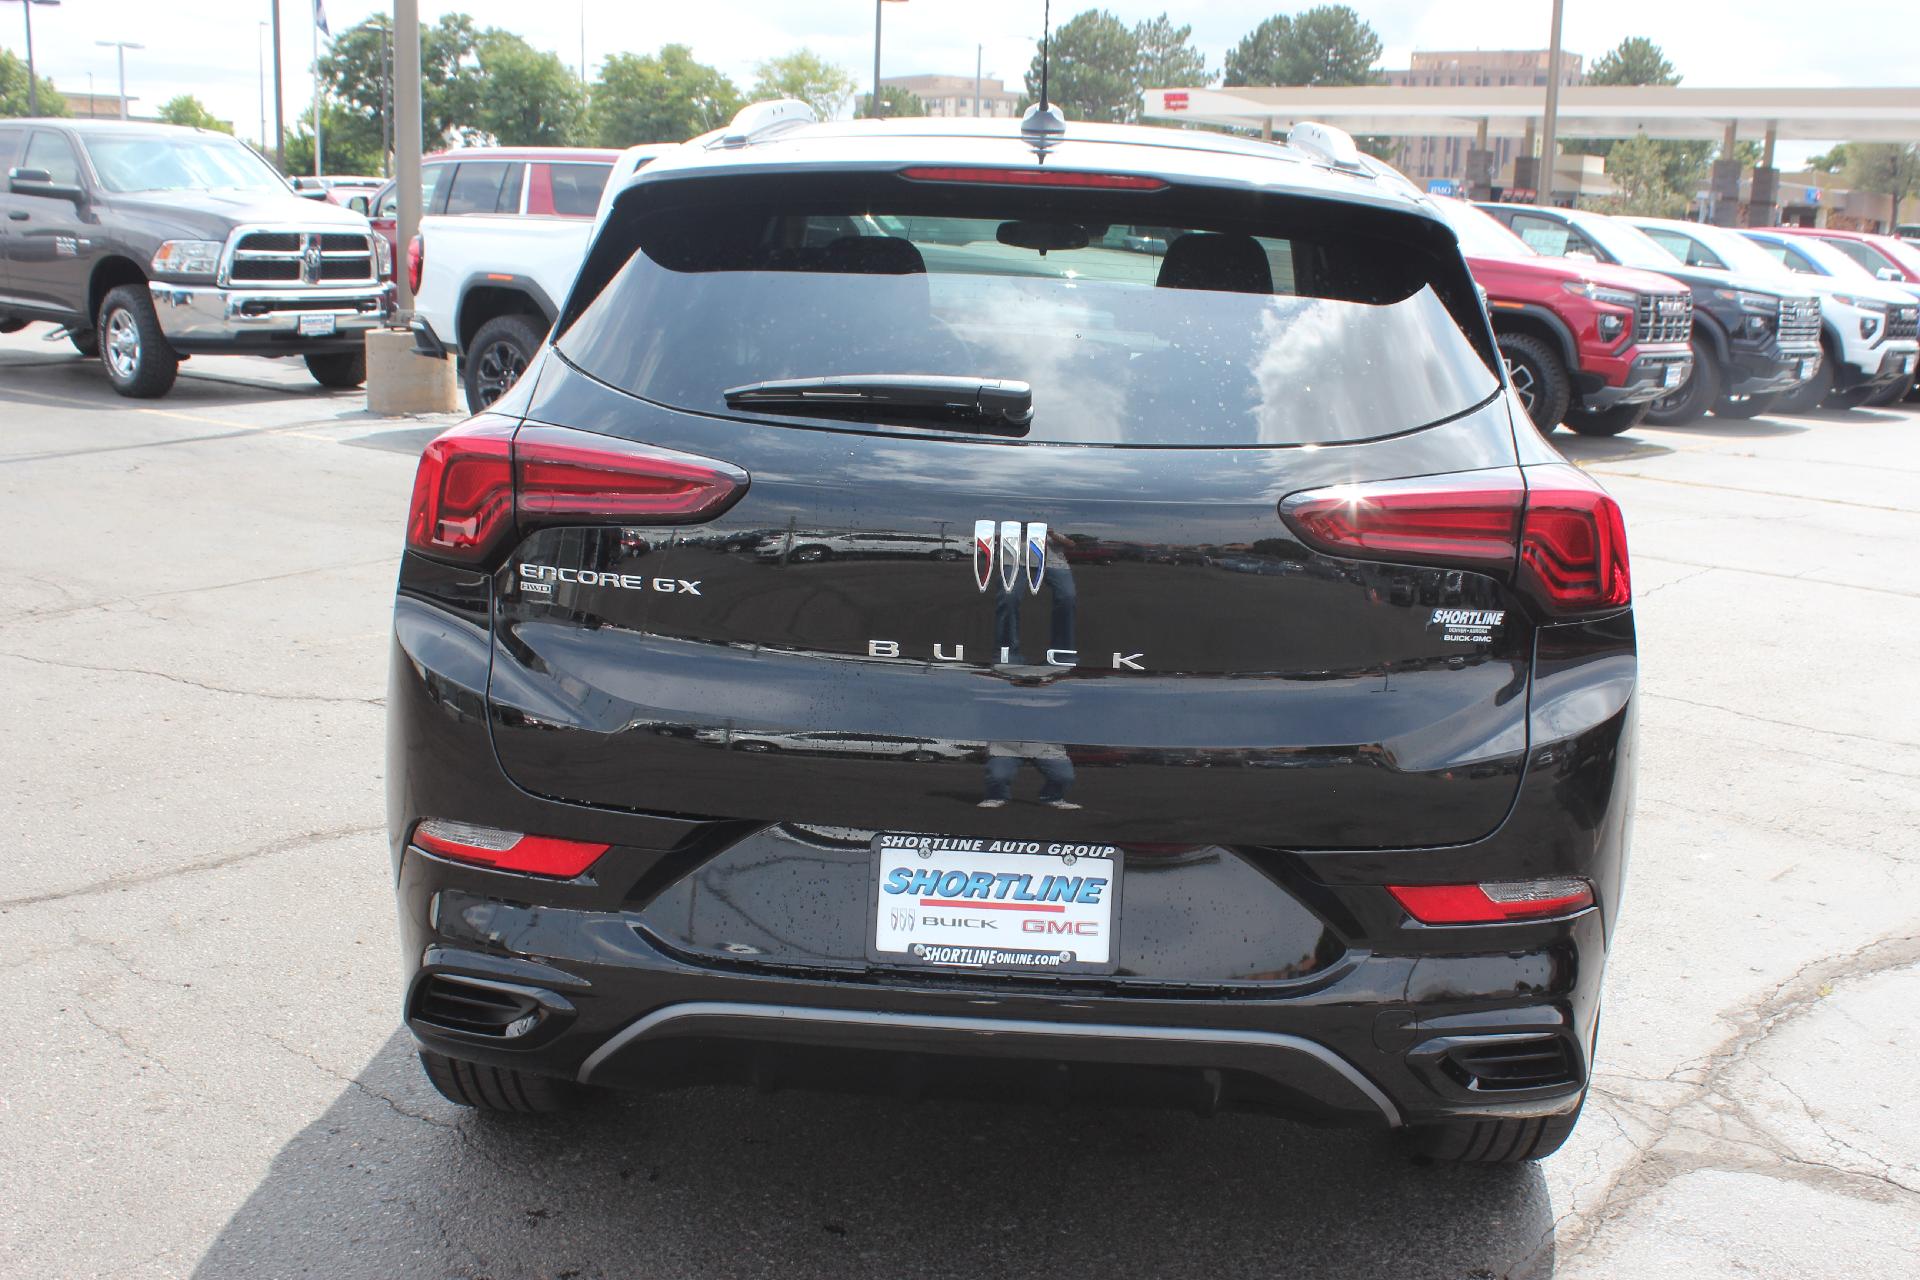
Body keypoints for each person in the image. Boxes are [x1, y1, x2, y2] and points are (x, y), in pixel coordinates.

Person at [979, 741, 1080, 809]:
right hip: (1006, 745)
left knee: (1064, 776)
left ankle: (1053, 798)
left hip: (1046, 745)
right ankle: (996, 797)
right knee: (998, 775)